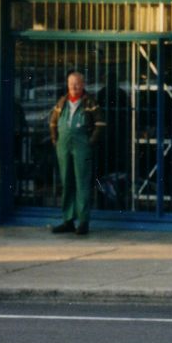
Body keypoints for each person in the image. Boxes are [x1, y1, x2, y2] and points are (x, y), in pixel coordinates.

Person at [49, 71, 104, 236]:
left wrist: (90, 142)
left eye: (77, 83)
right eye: (71, 83)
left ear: (83, 85)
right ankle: (68, 220)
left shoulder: (90, 102)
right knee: (67, 182)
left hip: (82, 146)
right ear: (67, 84)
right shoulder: (62, 102)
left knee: (82, 183)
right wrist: (55, 140)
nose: (74, 86)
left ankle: (83, 221)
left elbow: (101, 123)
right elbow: (52, 122)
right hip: (63, 146)